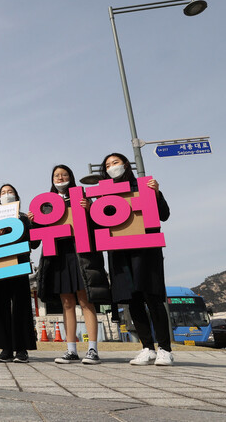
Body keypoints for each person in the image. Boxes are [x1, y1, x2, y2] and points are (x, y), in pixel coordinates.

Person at [100, 153, 173, 366]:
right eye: (108, 165)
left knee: (152, 297)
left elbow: (164, 214)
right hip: (119, 253)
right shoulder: (103, 195)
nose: (112, 167)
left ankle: (165, 349)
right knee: (133, 301)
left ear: (125, 164)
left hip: (145, 251)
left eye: (115, 162)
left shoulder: (143, 187)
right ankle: (147, 348)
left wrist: (157, 193)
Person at [32, 165, 110, 365]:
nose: (60, 178)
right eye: (57, 175)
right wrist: (33, 222)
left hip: (81, 255)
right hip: (57, 256)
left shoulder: (82, 196)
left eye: (64, 174)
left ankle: (92, 349)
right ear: (52, 179)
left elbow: (100, 224)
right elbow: (37, 237)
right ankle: (71, 350)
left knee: (85, 301)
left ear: (71, 177)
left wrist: (90, 208)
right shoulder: (46, 203)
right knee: (66, 303)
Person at [0, 184, 39, 363]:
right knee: (0, 306)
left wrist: (33, 224)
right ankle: (6, 349)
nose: (6, 195)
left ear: (16, 196)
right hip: (0, 265)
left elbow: (34, 244)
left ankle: (22, 349)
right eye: (3, 192)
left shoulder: (24, 218)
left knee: (21, 306)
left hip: (19, 264)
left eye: (10, 192)